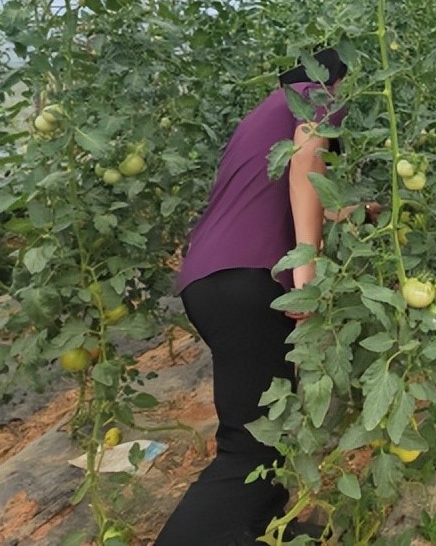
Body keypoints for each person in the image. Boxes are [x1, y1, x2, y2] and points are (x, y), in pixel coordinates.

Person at [155, 48, 357, 546]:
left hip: (212, 280)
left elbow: (288, 187)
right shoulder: (318, 95)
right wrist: (306, 272)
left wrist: (354, 212)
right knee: (248, 448)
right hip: (251, 280)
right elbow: (308, 159)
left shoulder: (263, 115)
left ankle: (263, 532)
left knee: (264, 427)